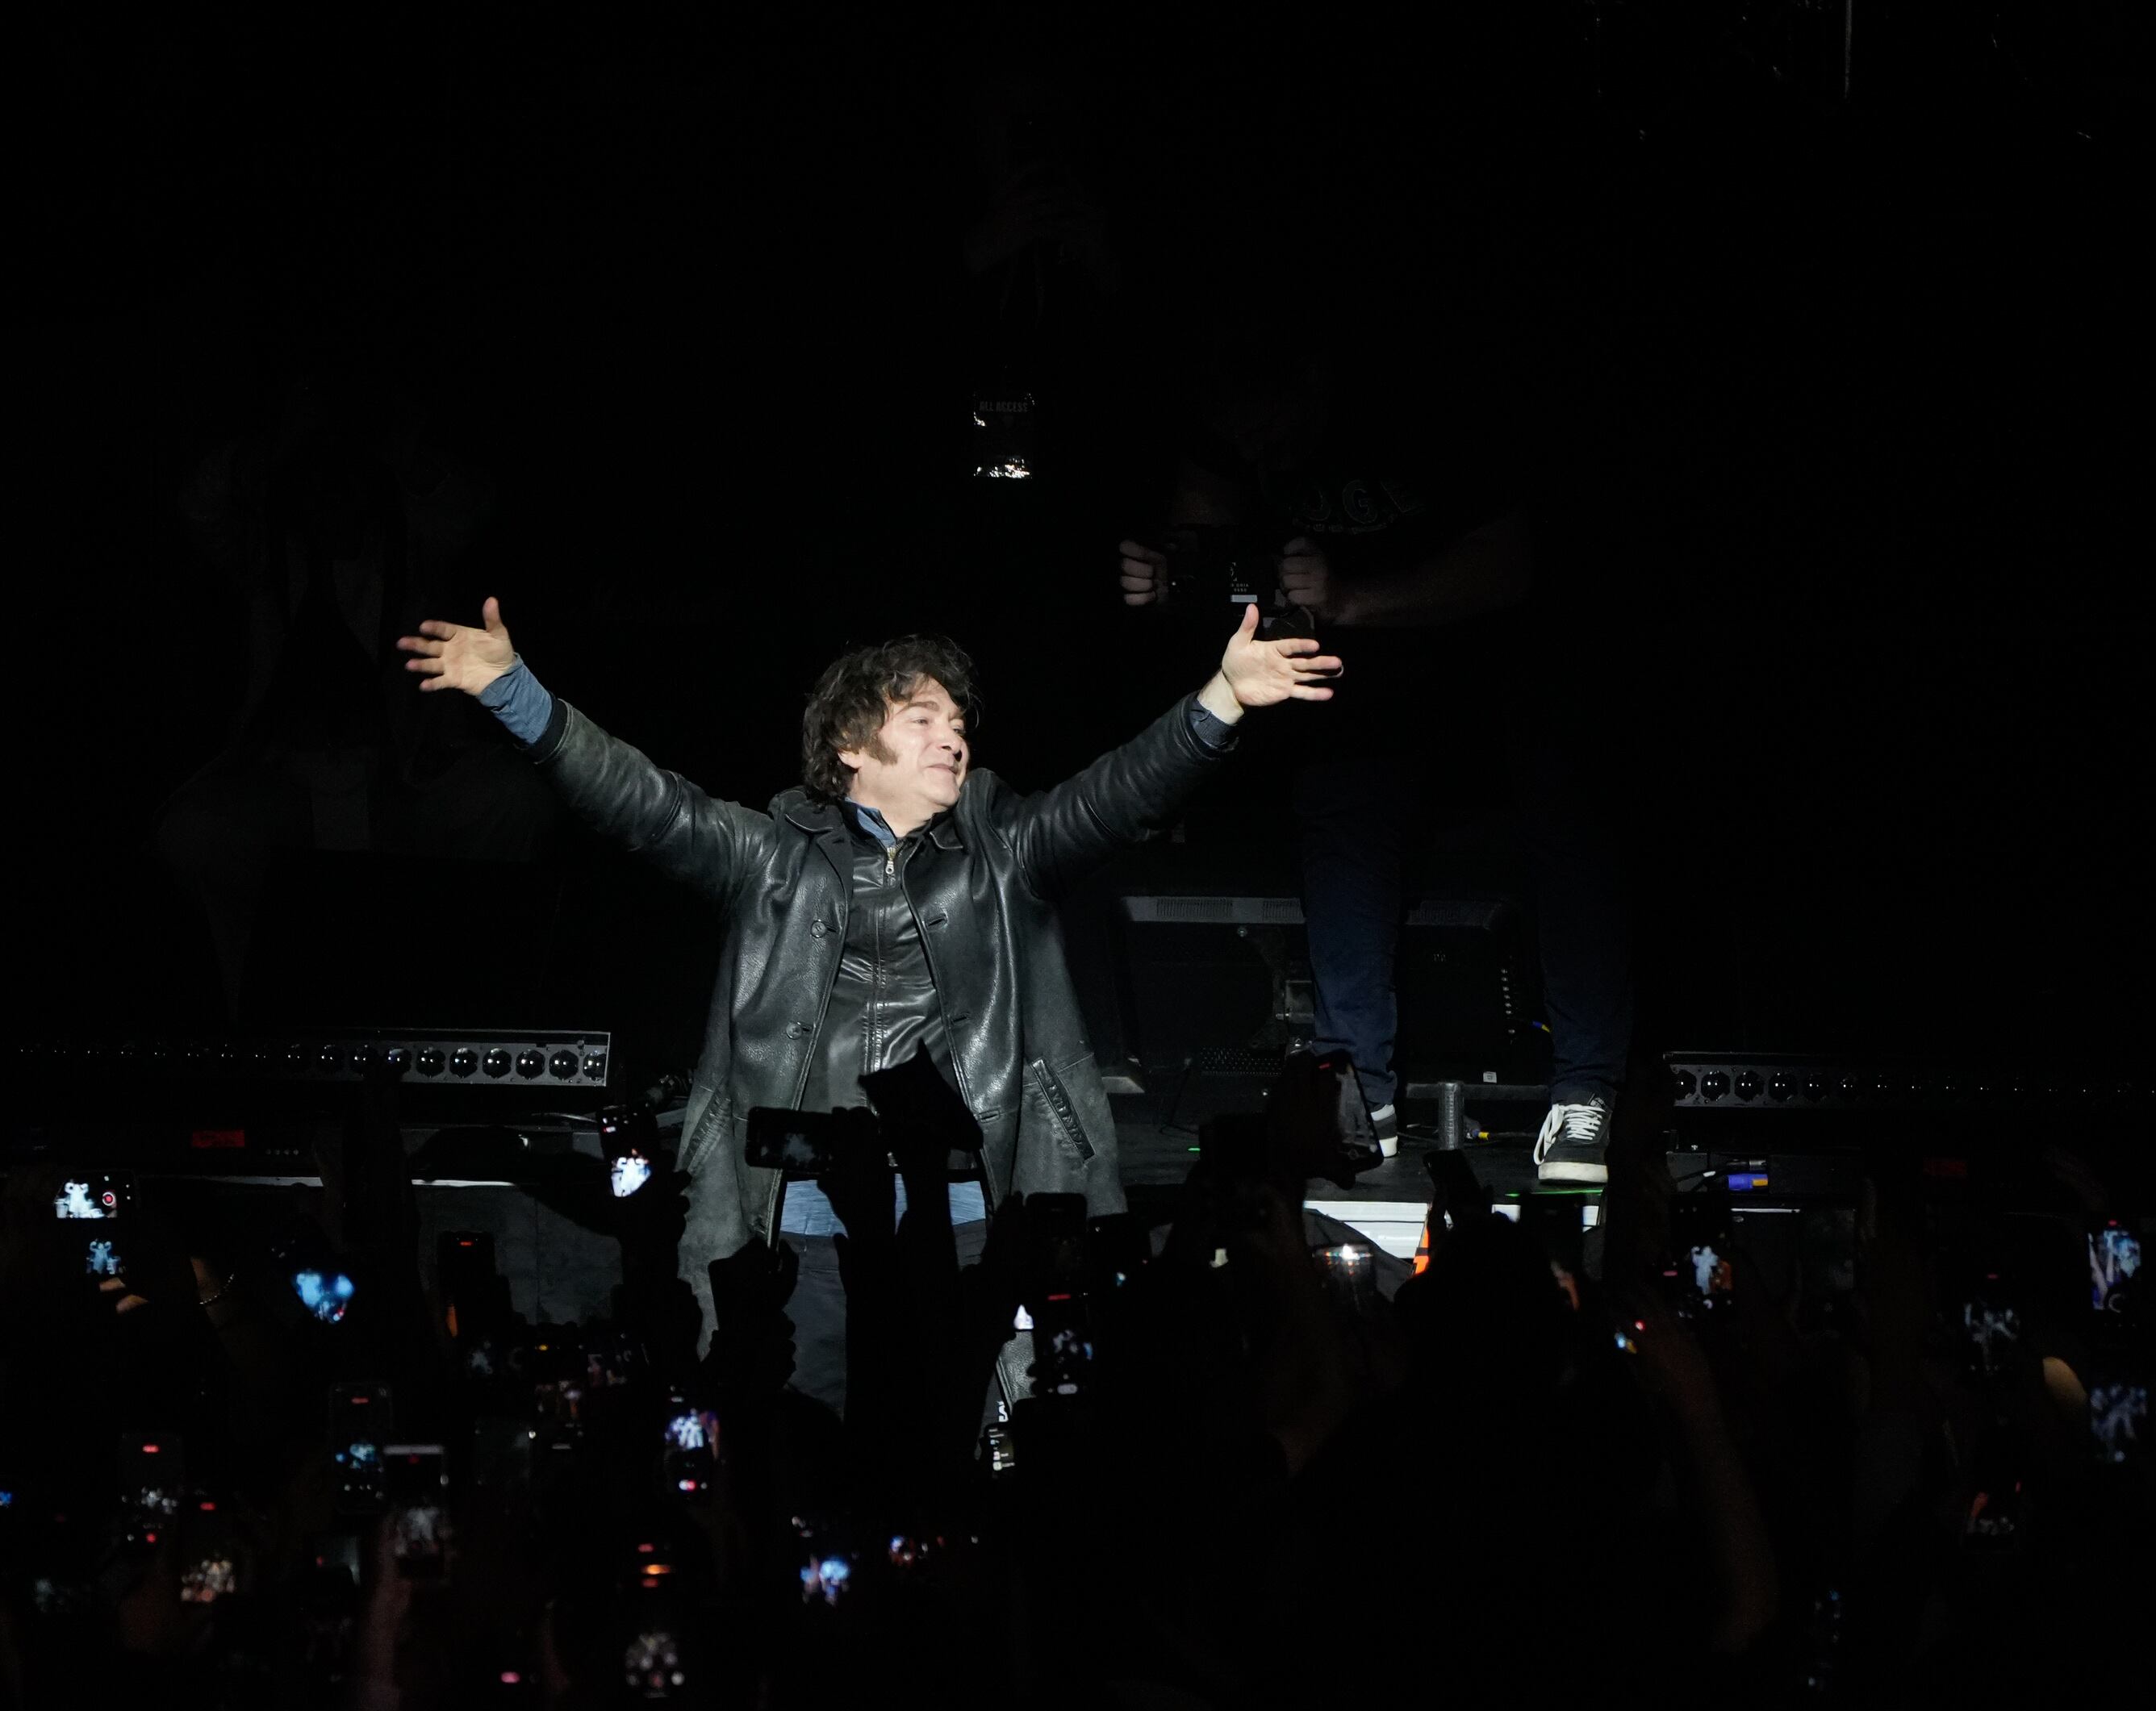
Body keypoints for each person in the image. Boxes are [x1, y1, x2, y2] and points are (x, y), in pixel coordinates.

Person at [397, 595, 1341, 1408]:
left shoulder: (1004, 850)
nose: (953, 735)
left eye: (959, 721)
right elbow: (645, 804)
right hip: (806, 1218)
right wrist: (516, 694)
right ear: (853, 746)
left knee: (975, 1442)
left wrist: (1221, 702)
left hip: (974, 1209)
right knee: (807, 1433)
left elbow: (1115, 796)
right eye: (922, 717)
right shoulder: (771, 855)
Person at [1117, 307, 1630, 1189]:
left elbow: (1508, 564)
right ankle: (1357, 1092)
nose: (1259, 450)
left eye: (1270, 426)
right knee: (1342, 807)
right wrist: (1170, 580)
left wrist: (1352, 596)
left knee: (1568, 816)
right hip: (1370, 691)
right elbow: (1200, 535)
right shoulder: (1227, 423)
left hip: (1507, 657)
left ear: (1312, 383)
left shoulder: (1422, 408)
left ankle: (1584, 1088)